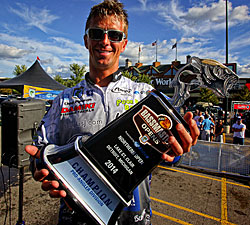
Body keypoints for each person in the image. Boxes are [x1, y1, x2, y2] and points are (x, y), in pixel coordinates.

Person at [25, 1, 199, 224]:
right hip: (76, 217)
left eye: (114, 35)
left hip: (134, 219)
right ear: (86, 39)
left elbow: (170, 157)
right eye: (97, 33)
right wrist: (42, 169)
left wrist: (179, 150)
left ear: (124, 43)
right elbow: (39, 154)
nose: (105, 41)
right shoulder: (64, 100)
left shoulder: (146, 96)